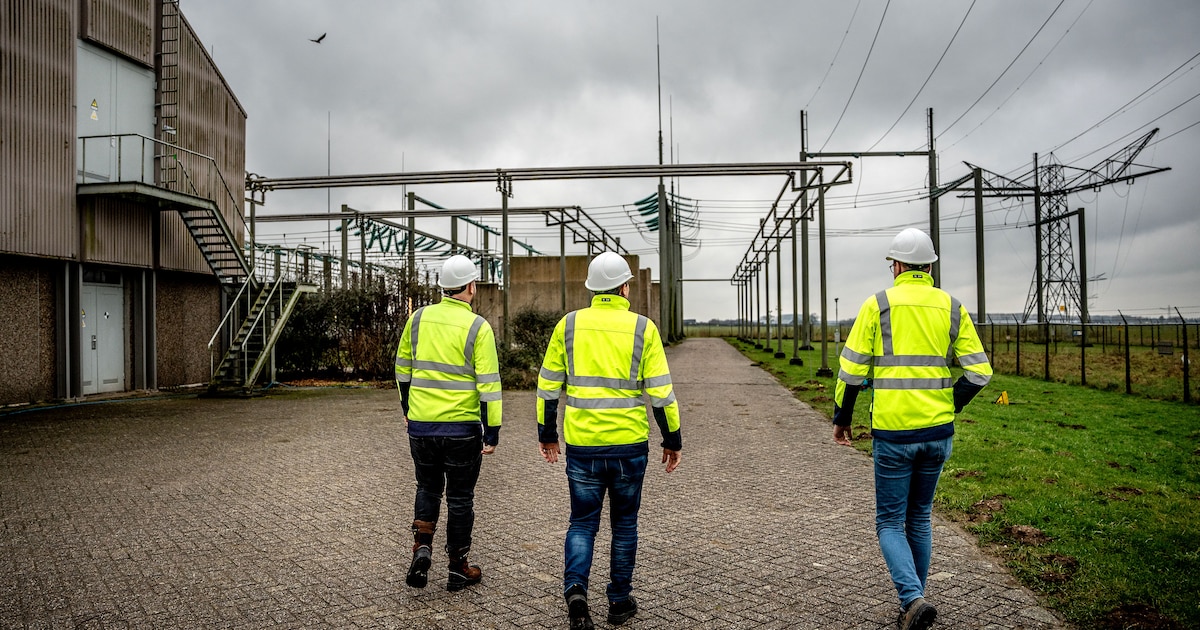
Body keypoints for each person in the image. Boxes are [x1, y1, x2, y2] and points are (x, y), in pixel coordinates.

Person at [832, 228, 992, 630]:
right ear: (931, 266)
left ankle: (912, 598)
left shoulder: (879, 304)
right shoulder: (951, 306)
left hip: (894, 434)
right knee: (919, 518)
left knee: (889, 522)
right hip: (938, 433)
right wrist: (949, 403)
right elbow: (980, 372)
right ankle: (912, 607)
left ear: (898, 266)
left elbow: (851, 371)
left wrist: (842, 418)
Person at [536, 252, 682, 630]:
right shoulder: (643, 329)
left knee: (582, 523)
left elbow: (548, 387)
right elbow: (662, 394)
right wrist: (672, 439)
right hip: (629, 448)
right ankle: (618, 602)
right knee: (625, 525)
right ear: (624, 287)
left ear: (591, 289)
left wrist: (547, 434)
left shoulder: (568, 326)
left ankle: (576, 591)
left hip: (582, 447)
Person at [395, 254, 502, 592]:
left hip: (422, 427)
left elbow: (401, 370)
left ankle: (422, 548)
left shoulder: (417, 319)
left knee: (426, 488)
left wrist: (408, 408)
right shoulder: (478, 327)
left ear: (442, 287)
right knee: (460, 498)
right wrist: (492, 430)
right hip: (462, 430)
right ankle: (458, 567)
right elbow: (489, 385)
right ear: (471, 287)